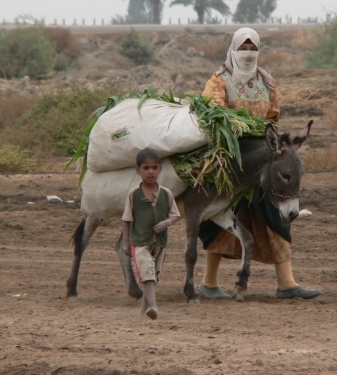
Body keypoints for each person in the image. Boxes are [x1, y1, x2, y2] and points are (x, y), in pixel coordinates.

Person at [199, 27, 321, 300]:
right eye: (244, 48)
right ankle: (208, 283)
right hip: (232, 160)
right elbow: (214, 114)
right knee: (221, 218)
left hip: (264, 160)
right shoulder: (219, 80)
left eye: (254, 49)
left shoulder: (267, 81)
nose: (248, 53)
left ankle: (287, 284)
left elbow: (273, 118)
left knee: (275, 217)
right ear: (233, 49)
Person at [122, 148, 181, 319]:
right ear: (138, 169)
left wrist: (166, 223)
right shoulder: (134, 194)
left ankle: (143, 311)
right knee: (147, 273)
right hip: (140, 242)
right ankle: (154, 307)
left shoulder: (166, 194)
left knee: (153, 275)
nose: (150, 172)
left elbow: (175, 214)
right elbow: (127, 219)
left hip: (160, 243)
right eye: (146, 168)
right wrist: (126, 242)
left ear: (160, 169)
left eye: (154, 168)